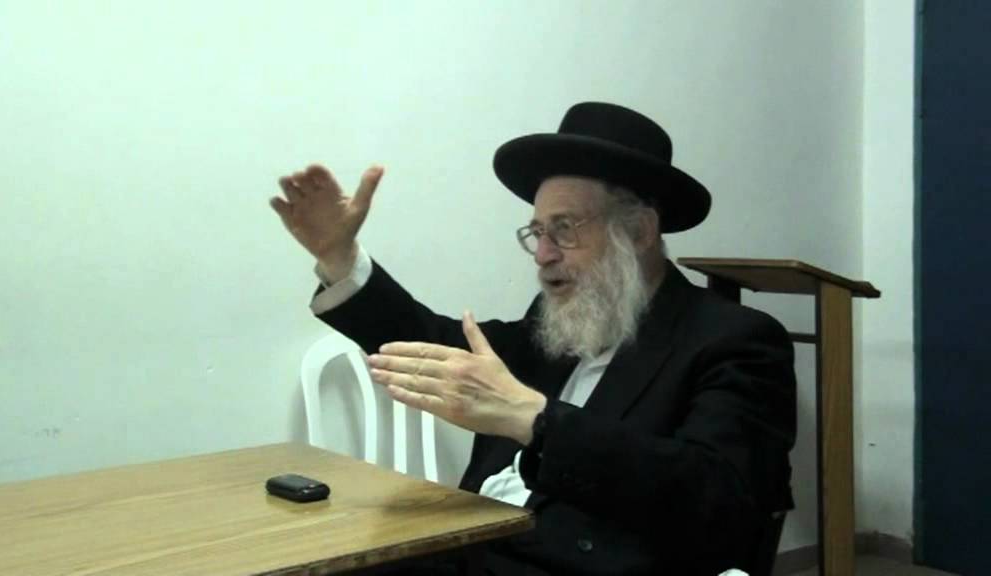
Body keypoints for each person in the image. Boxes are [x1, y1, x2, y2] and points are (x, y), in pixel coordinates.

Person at [270, 102, 797, 576]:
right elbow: (432, 343)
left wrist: (535, 421)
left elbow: (714, 498)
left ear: (638, 232)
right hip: (470, 550)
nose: (543, 255)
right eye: (538, 232)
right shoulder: (558, 325)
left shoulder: (735, 340)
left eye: (564, 229)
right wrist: (340, 259)